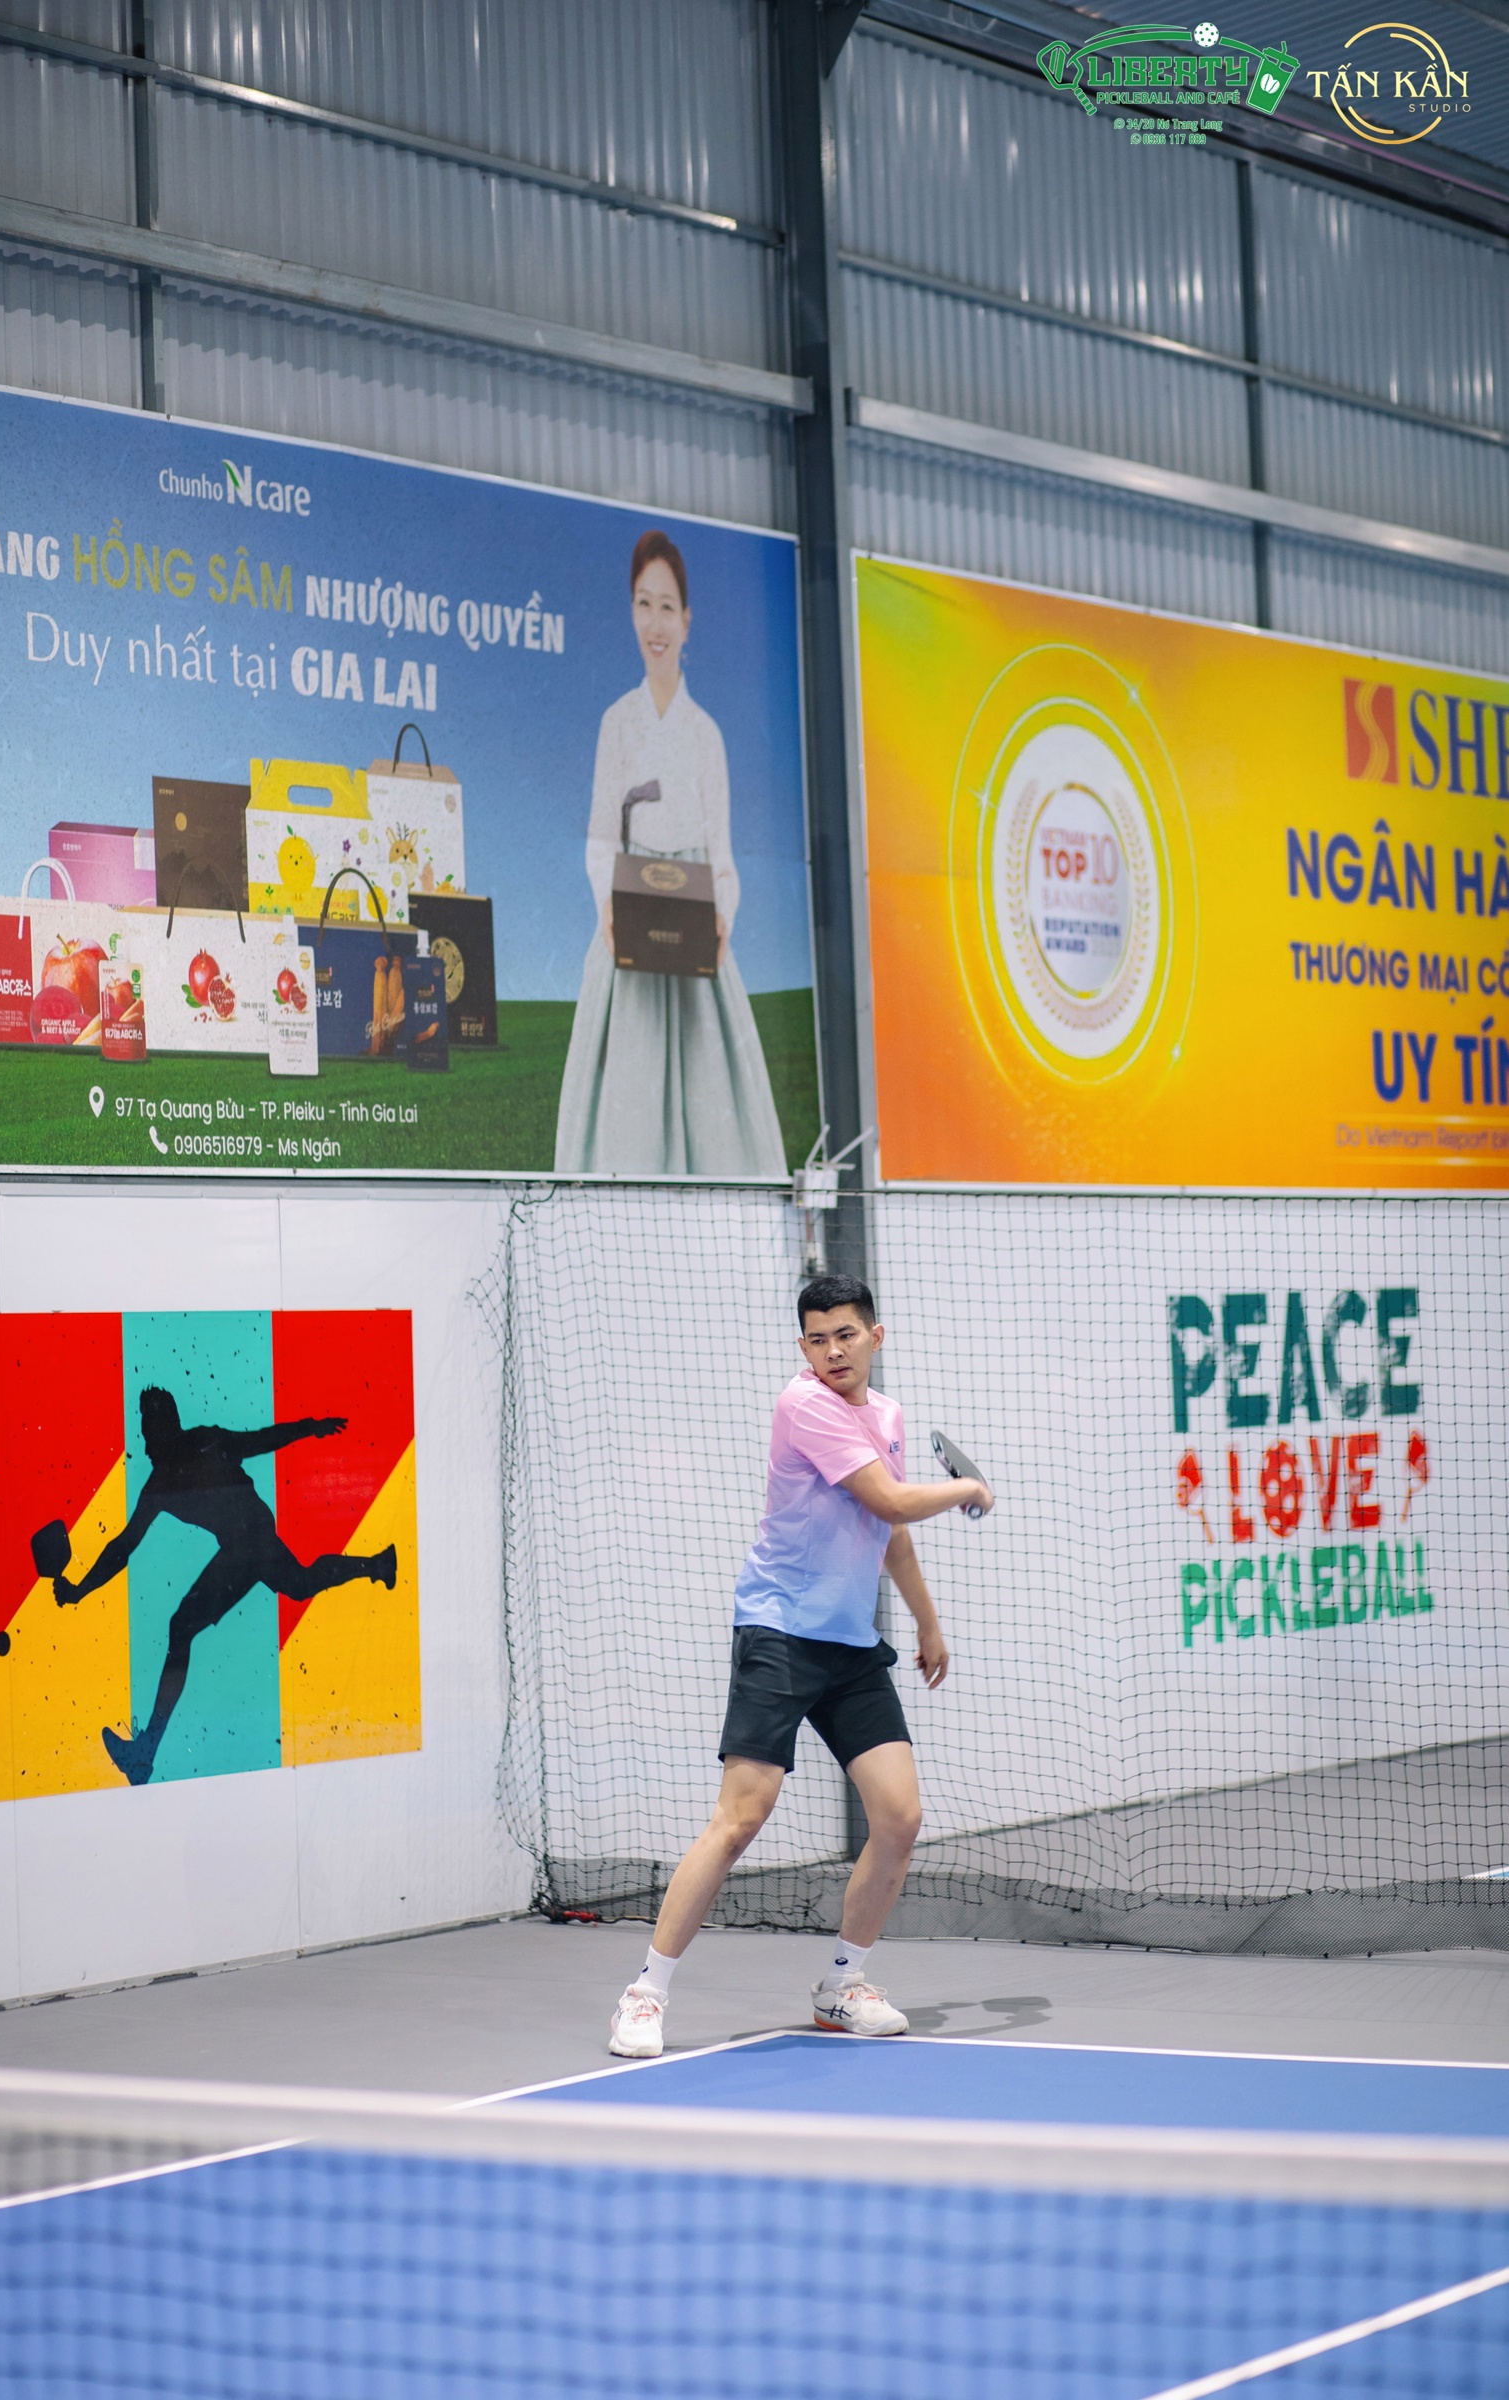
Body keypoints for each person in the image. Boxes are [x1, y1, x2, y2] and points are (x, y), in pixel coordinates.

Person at [609, 1273, 992, 2056]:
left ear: (874, 1336)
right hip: (779, 1634)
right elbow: (888, 1500)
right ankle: (644, 1994)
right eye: (817, 1340)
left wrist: (927, 1623)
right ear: (802, 1347)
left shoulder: (885, 1414)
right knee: (740, 1818)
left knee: (899, 1818)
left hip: (849, 1645)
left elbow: (889, 1533)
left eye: (845, 1335)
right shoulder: (804, 1403)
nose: (832, 1352)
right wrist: (967, 1489)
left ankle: (842, 1987)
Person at [555, 528, 788, 1177]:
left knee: (718, 1131)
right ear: (631, 612)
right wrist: (609, 909)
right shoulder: (617, 722)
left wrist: (721, 917)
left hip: (693, 938)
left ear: (687, 621)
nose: (654, 623)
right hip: (628, 932)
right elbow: (601, 838)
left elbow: (723, 858)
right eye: (642, 604)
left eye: (666, 607)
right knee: (621, 1124)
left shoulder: (706, 734)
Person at [54, 1386, 397, 1787]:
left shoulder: (202, 1444)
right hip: (249, 1541)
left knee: (183, 1626)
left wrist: (309, 1427)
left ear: (166, 1428)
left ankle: (145, 1754)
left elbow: (260, 1440)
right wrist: (79, 1590)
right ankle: (378, 1565)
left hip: (248, 1541)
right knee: (300, 1583)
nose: (144, 1445)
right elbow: (123, 1547)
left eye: (148, 1432)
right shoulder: (161, 1482)